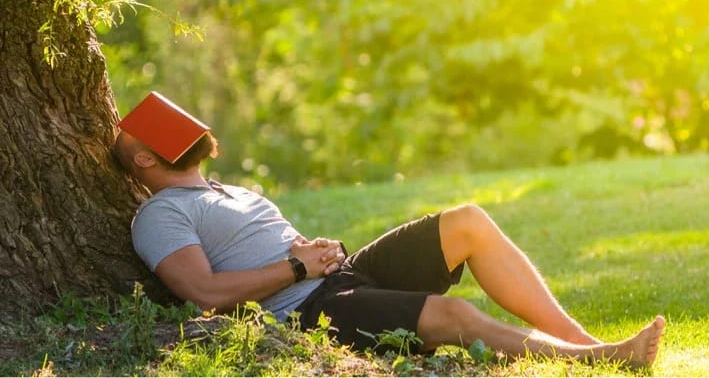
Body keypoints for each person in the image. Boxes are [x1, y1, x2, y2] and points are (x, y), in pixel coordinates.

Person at [113, 106, 665, 368]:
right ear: (144, 159)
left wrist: (314, 253)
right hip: (311, 310)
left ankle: (584, 342)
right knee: (455, 318)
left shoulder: (221, 189)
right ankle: (599, 361)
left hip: (339, 276)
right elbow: (205, 295)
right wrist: (298, 268)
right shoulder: (159, 215)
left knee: (467, 221)